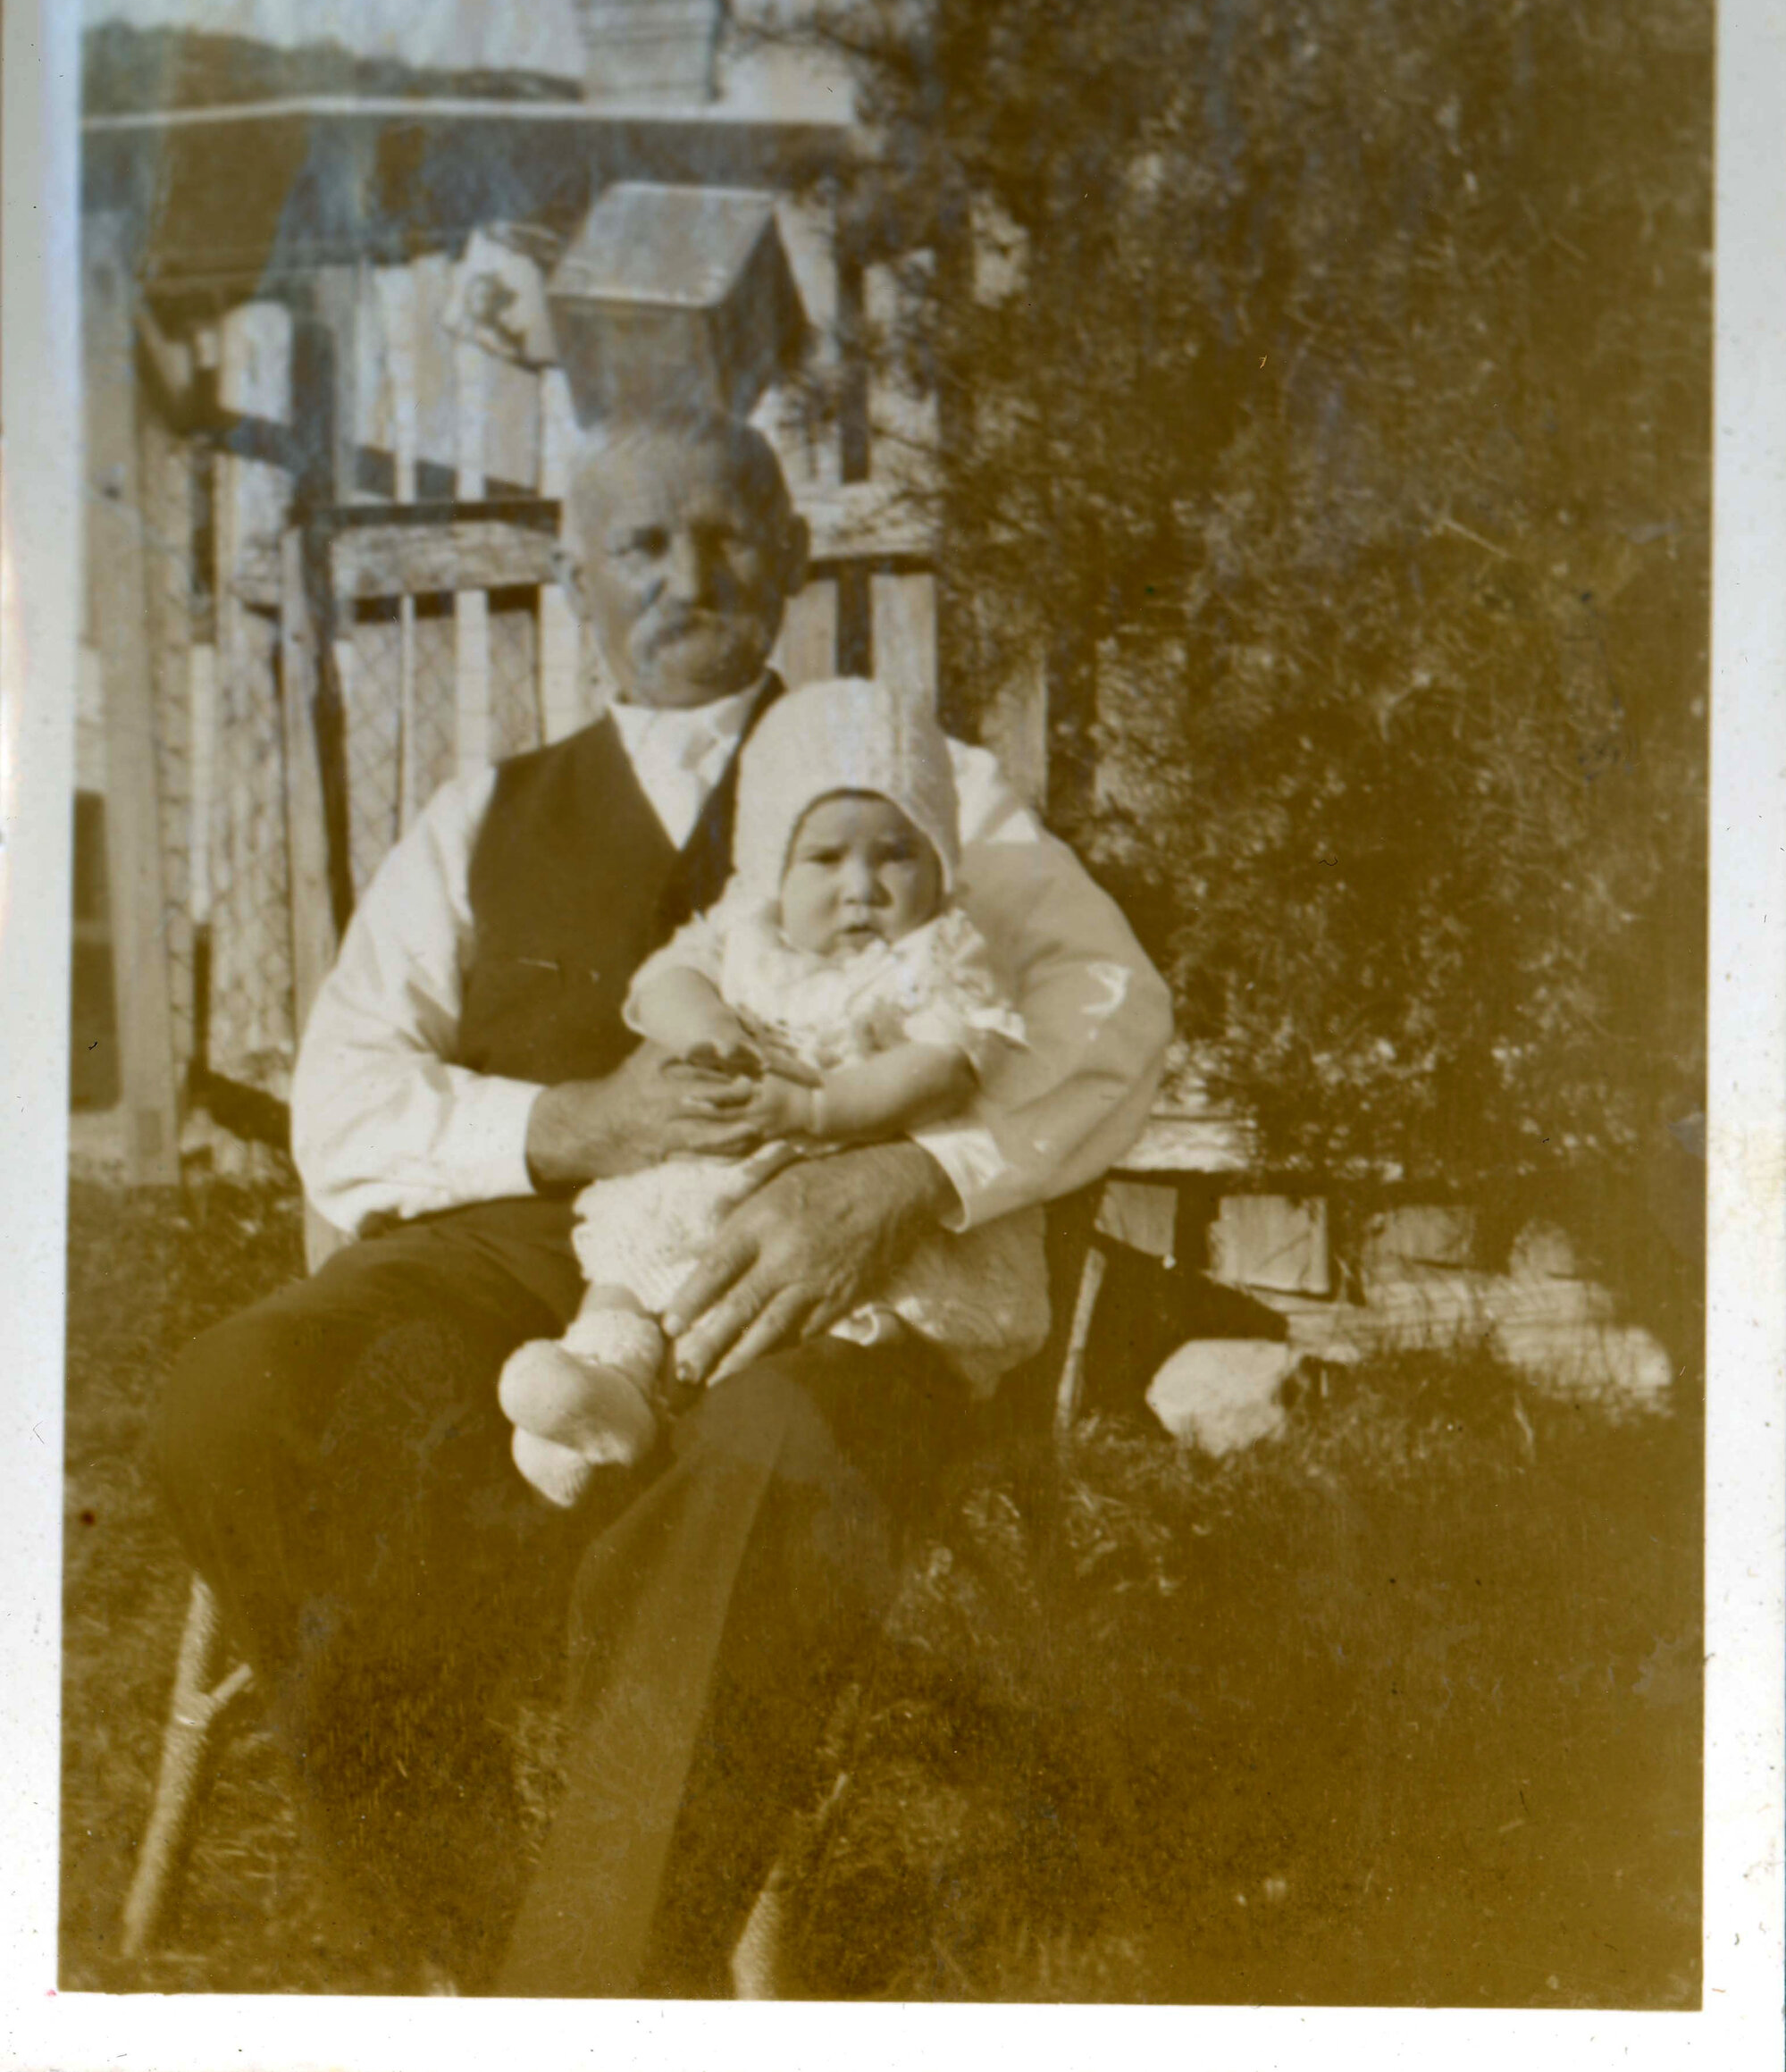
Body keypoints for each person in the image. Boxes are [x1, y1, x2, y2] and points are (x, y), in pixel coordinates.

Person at [154, 412, 1173, 1997]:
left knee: (761, 1465)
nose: (685, 576)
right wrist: (564, 1118)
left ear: (783, 563)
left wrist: (911, 1171)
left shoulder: (919, 784)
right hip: (524, 1248)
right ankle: (468, 1929)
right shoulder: (481, 818)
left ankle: (591, 1997)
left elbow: (1109, 1001)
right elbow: (340, 1091)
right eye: (639, 544)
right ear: (575, 579)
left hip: (830, 1277)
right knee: (242, 1403)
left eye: (722, 539)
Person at [499, 675, 1045, 1497]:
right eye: (825, 858)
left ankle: (681, 1411)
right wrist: (708, 1026)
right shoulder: (742, 930)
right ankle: (604, 1387)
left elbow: (943, 1065)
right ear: (770, 869)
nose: (861, 887)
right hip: (722, 1163)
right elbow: (661, 983)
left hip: (863, 1185)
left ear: (939, 859)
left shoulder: (942, 951)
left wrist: (820, 1107)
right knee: (635, 1245)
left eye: (897, 853)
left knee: (812, 1324)